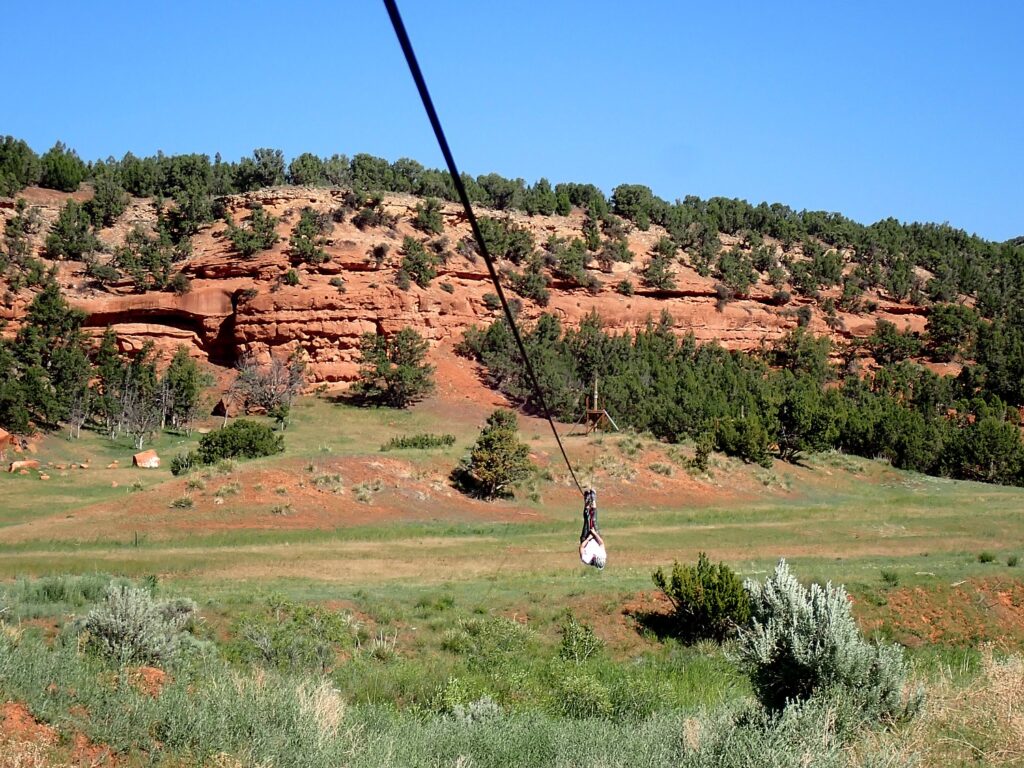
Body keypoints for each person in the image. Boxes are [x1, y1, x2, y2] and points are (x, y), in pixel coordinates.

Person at [579, 488, 606, 569]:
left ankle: (587, 501)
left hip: (585, 539)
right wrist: (594, 533)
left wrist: (588, 538)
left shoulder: (586, 559)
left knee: (587, 519)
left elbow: (581, 547)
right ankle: (593, 499)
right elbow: (601, 543)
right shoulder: (603, 556)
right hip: (596, 537)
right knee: (593, 518)